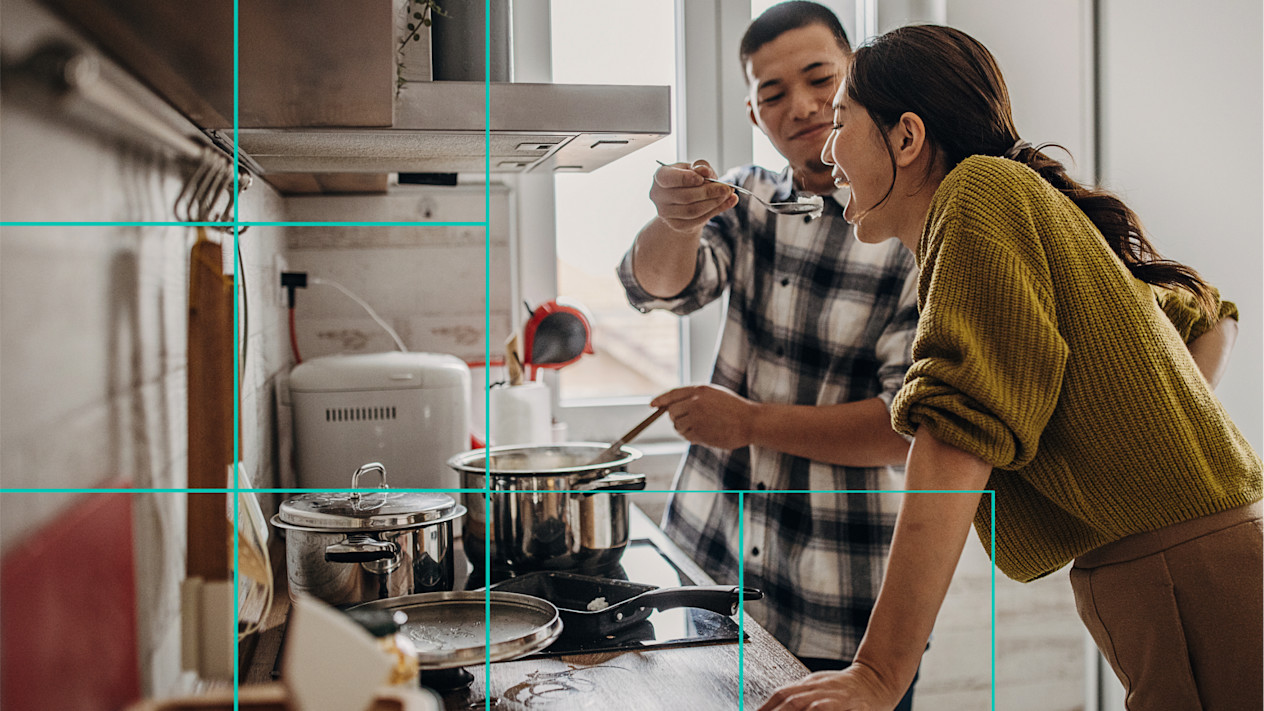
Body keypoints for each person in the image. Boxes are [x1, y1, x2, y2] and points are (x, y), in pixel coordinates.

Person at [761, 24, 1261, 711]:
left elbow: (956, 435)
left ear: (906, 137)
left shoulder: (979, 195)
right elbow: (1208, 315)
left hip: (1184, 574)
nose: (826, 148)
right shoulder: (1007, 200)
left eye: (841, 119)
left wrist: (877, 674)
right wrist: (1138, 430)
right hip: (1185, 568)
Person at [615, 4, 923, 707]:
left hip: (841, 597)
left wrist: (749, 422)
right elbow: (660, 288)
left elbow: (904, 430)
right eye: (773, 93)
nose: (804, 107)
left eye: (821, 80)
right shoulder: (747, 195)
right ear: (754, 115)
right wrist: (674, 220)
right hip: (708, 569)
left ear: (857, 84)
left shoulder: (911, 232)